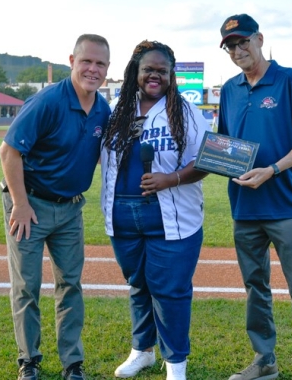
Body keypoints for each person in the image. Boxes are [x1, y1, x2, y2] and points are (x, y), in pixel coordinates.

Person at [0, 33, 111, 380]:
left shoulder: (103, 108)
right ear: (72, 61)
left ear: (108, 68)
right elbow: (9, 151)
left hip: (70, 209)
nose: (93, 69)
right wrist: (19, 203)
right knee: (27, 287)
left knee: (70, 285)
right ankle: (29, 361)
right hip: (29, 205)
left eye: (101, 63)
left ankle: (72, 363)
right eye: (87, 61)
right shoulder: (48, 100)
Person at [217, 14, 292, 380]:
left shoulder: (288, 79)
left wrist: (272, 169)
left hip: (287, 206)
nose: (238, 50)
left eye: (243, 41)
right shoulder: (229, 89)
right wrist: (222, 162)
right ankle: (265, 361)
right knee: (255, 289)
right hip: (245, 208)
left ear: (259, 39)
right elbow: (226, 146)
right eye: (230, 45)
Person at [100, 40, 211, 380]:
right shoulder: (117, 110)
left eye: (163, 70)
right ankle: (142, 351)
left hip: (173, 216)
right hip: (122, 215)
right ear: (136, 71)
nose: (155, 75)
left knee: (171, 291)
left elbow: (208, 159)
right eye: (148, 69)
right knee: (139, 285)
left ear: (171, 75)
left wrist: (171, 179)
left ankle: (176, 364)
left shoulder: (187, 111)